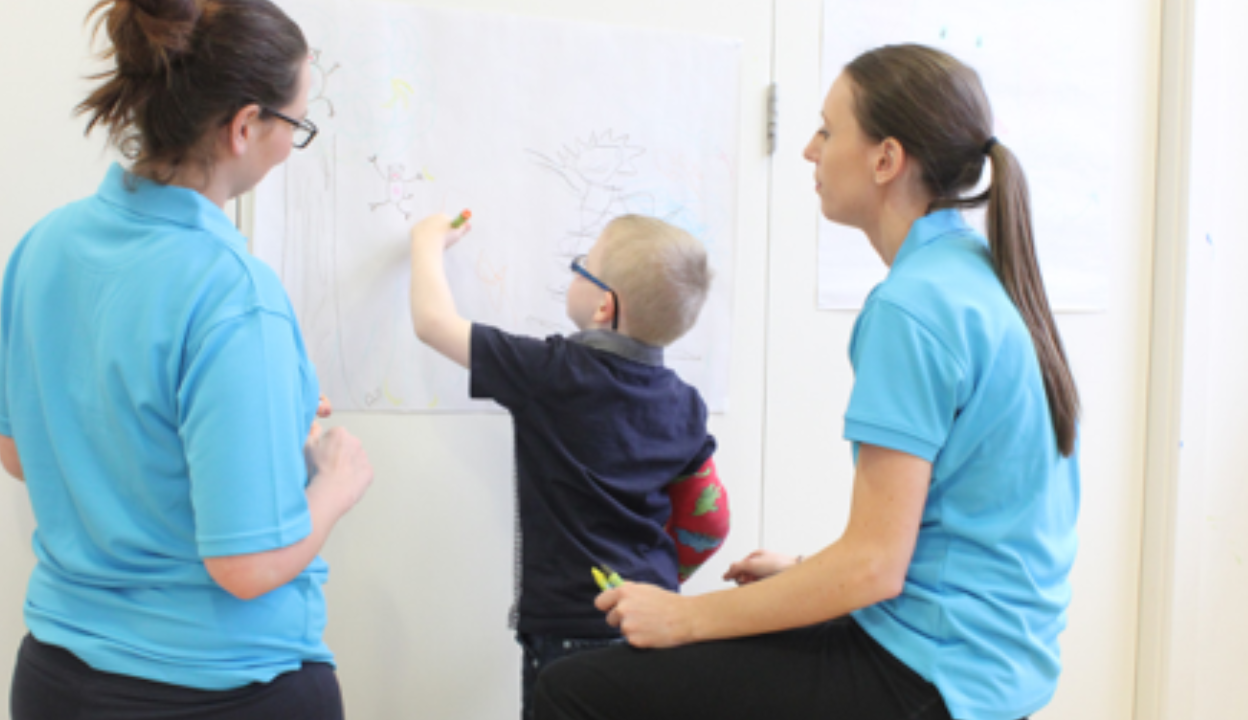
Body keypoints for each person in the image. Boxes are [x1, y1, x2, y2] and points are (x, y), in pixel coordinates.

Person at [534, 43, 1080, 720]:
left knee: (572, 692)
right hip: (996, 660)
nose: (808, 151)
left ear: (885, 159)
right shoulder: (973, 272)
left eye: (827, 129)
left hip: (934, 674)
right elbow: (946, 527)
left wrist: (686, 617)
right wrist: (804, 576)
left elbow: (873, 567)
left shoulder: (913, 307)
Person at [0, 1, 373, 718]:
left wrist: (250, 417)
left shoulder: (46, 244)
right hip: (218, 688)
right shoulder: (233, 292)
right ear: (243, 127)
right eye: (294, 124)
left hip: (55, 680)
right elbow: (248, 565)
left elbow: (19, 452)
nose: (292, 142)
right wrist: (336, 483)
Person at [409, 212, 732, 719]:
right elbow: (711, 520)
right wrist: (665, 575)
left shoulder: (552, 373)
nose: (575, 272)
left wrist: (426, 242)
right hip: (657, 623)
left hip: (568, 632)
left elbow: (433, 324)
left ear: (605, 306)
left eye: (583, 266)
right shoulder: (685, 403)